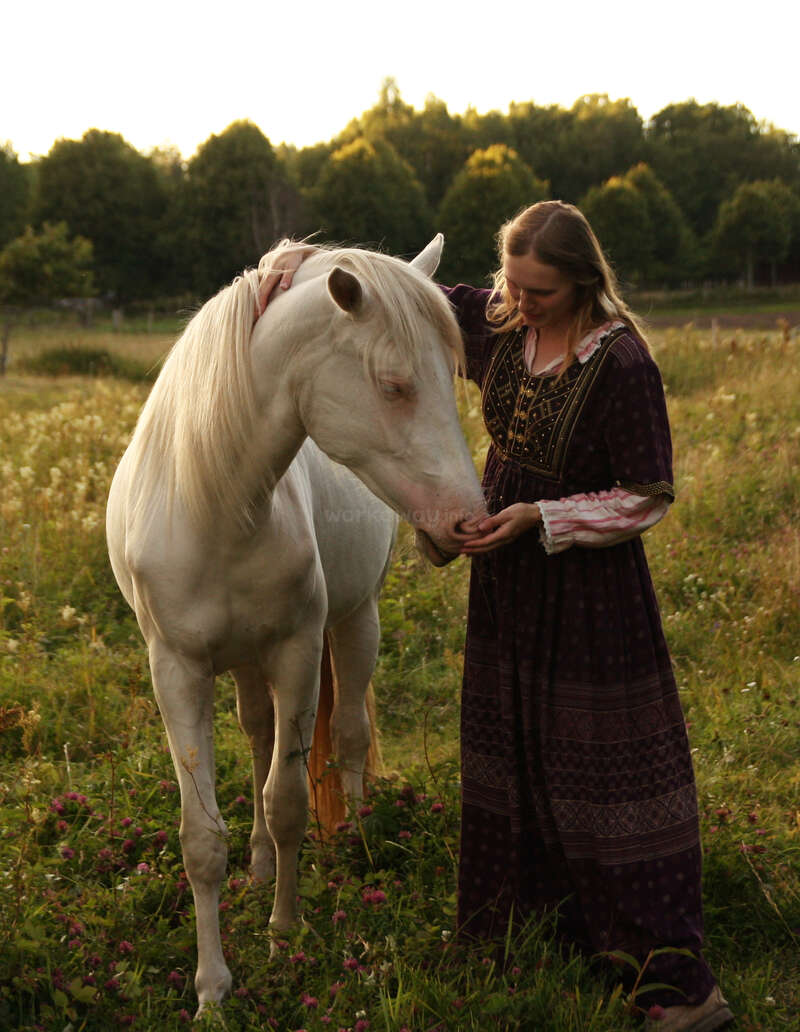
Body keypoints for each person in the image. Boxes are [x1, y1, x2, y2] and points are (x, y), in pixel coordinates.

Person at [257, 204, 733, 1032]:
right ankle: (534, 925)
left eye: (539, 290)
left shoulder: (621, 364)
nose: (518, 301)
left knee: (603, 771)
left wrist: (539, 518)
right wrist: (298, 262)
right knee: (511, 750)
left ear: (583, 281)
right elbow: (395, 290)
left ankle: (664, 975)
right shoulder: (499, 323)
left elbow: (646, 496)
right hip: (507, 586)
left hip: (588, 597)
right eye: (510, 282)